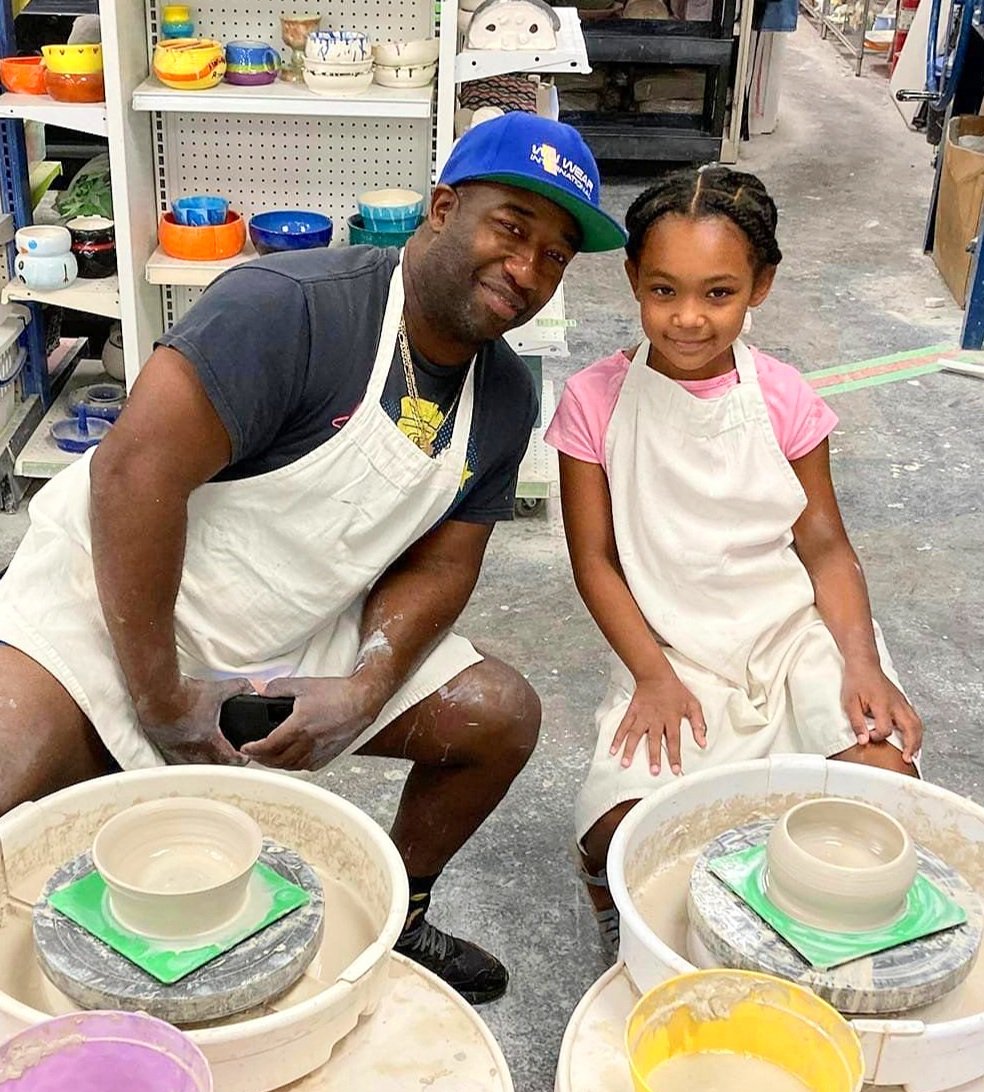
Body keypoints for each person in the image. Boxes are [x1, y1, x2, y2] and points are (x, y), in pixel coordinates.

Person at [0, 112, 627, 1003]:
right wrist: (162, 699)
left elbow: (442, 567)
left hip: (289, 625)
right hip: (107, 605)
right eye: (511, 229)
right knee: (11, 763)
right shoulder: (291, 309)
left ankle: (398, 914)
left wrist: (366, 686)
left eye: (555, 255)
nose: (527, 269)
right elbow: (133, 477)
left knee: (498, 716)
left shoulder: (502, 396)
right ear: (443, 209)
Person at [544, 166, 922, 956]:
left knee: (881, 782)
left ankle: (801, 924)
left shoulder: (783, 396)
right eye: (664, 290)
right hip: (672, 653)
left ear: (761, 287)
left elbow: (825, 546)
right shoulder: (594, 400)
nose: (688, 318)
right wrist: (652, 676)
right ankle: (607, 888)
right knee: (620, 833)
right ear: (632, 280)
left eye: (718, 294)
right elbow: (596, 562)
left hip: (791, 640)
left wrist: (861, 661)